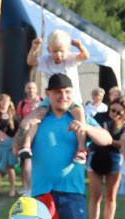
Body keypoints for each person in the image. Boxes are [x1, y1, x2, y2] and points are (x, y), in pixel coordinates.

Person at [21, 73, 111, 219]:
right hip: (42, 194)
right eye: (58, 92)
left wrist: (86, 127)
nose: (63, 96)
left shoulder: (79, 117)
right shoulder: (39, 118)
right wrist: (24, 126)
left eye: (67, 92)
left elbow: (107, 139)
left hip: (72, 195)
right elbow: (18, 148)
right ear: (48, 94)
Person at [19, 30, 90, 164]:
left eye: (62, 51)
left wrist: (80, 47)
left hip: (72, 98)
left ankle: (81, 149)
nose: (58, 55)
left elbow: (85, 56)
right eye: (54, 51)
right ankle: (26, 145)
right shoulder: (46, 60)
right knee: (37, 114)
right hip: (52, 99)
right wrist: (34, 49)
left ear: (68, 49)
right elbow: (30, 61)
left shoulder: (71, 59)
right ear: (48, 50)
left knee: (79, 115)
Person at [86, 99, 125, 219]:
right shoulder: (99, 117)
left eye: (118, 112)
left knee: (111, 196)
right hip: (96, 156)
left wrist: (106, 140)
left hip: (114, 158)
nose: (114, 114)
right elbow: (92, 135)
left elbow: (122, 144)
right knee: (96, 195)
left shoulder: (124, 125)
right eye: (112, 110)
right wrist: (109, 141)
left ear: (123, 114)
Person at [0, 93, 19, 197]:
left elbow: (16, 131)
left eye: (7, 101)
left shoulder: (13, 116)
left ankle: (12, 189)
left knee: (10, 167)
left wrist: (10, 141)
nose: (4, 103)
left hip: (9, 146)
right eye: (2, 101)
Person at [15, 81, 42, 195]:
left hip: (40, 136)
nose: (31, 90)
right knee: (26, 165)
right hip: (26, 136)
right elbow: (18, 118)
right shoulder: (22, 103)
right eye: (29, 88)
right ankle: (28, 187)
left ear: (36, 89)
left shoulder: (42, 101)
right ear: (25, 90)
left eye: (33, 88)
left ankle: (39, 188)